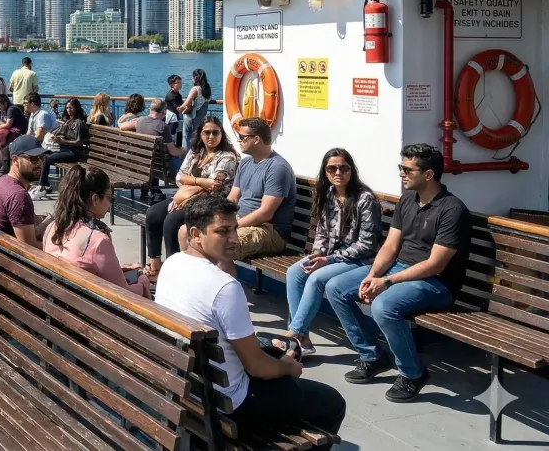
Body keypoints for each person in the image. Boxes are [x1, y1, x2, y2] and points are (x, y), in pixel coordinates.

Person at [155, 195, 346, 438]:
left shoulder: (172, 263)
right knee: (333, 402)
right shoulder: (225, 287)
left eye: (235, 229)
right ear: (195, 234)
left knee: (274, 345)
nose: (234, 238)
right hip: (231, 403)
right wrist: (287, 368)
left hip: (188, 385)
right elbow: (257, 368)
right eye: (223, 231)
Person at [325, 144, 469, 402]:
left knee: (383, 306)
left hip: (436, 283)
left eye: (407, 169)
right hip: (399, 270)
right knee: (336, 288)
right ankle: (372, 355)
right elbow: (391, 246)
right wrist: (373, 274)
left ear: (428, 175)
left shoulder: (452, 210)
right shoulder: (407, 200)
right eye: (400, 168)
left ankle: (413, 373)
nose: (401, 174)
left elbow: (435, 265)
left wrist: (387, 281)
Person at [284, 149, 381, 356]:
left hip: (361, 261)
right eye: (332, 168)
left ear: (351, 170)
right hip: (333, 258)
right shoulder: (328, 194)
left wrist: (327, 259)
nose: (338, 172)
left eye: (343, 167)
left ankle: (294, 334)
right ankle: (304, 339)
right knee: (295, 272)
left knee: (316, 279)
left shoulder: (365, 200)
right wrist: (317, 252)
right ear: (325, 172)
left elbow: (366, 245)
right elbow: (322, 231)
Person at [144, 115, 238, 277]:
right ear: (200, 134)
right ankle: (156, 267)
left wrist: (190, 184)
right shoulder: (196, 152)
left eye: (215, 133)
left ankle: (174, 272)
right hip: (187, 198)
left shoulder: (227, 156)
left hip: (211, 203)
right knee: (153, 213)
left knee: (172, 220)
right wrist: (201, 181)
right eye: (206, 132)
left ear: (222, 134)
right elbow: (179, 178)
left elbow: (214, 186)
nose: (211, 137)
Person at [42, 166, 151, 297]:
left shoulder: (52, 228)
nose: (110, 203)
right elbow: (122, 293)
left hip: (60, 301)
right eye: (109, 198)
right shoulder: (97, 240)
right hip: (90, 311)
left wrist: (120, 268)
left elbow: (81, 264)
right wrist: (143, 282)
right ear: (95, 199)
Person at [227, 117, 297, 268]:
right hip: (241, 222)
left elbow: (265, 213)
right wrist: (221, 218)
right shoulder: (245, 163)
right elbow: (233, 197)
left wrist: (232, 225)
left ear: (256, 139)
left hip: (269, 230)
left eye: (242, 137)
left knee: (224, 244)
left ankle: (225, 290)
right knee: (189, 231)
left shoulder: (277, 168)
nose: (239, 141)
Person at [0, 134, 43, 246]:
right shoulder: (19, 196)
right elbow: (29, 248)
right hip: (12, 260)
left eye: (42, 157)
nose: (40, 163)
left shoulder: (2, 182)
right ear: (15, 160)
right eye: (33, 158)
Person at [35, 97, 86, 200]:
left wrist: (63, 141)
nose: (69, 110)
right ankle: (45, 184)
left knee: (48, 159)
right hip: (65, 149)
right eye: (67, 108)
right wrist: (55, 137)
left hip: (74, 152)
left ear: (76, 108)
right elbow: (59, 131)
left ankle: (42, 186)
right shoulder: (68, 121)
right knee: (44, 154)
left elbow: (80, 143)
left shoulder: (79, 123)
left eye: (71, 108)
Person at [133, 99, 189, 175]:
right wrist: (184, 151)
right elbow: (173, 152)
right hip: (158, 165)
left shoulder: (139, 121)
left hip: (141, 160)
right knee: (183, 161)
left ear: (150, 109)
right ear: (164, 111)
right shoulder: (163, 126)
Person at [179, 68, 212, 148]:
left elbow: (186, 103)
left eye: (192, 77)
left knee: (186, 138)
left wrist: (179, 109)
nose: (192, 78)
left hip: (192, 117)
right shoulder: (208, 88)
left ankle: (185, 157)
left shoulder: (195, 89)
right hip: (201, 118)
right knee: (198, 138)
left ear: (196, 77)